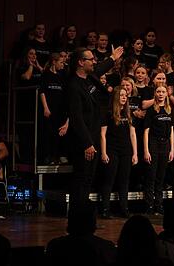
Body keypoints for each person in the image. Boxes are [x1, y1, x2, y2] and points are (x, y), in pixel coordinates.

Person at [67, 46, 123, 207]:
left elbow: (99, 68)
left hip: (93, 136)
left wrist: (112, 58)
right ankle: (77, 214)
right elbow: (76, 118)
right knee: (81, 178)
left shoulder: (90, 77)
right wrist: (87, 144)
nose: (94, 61)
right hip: (83, 143)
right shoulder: (73, 86)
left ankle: (84, 213)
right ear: (80, 62)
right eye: (90, 59)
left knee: (89, 178)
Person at [99, 86, 138, 218]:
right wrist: (103, 152)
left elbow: (133, 134)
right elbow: (102, 134)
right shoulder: (108, 113)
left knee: (124, 180)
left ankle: (124, 208)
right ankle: (105, 209)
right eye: (121, 95)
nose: (124, 97)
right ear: (116, 97)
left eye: (125, 95)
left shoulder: (129, 114)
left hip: (126, 150)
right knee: (109, 180)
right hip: (112, 150)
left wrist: (135, 153)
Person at [143, 85, 174, 215]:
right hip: (153, 144)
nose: (161, 94)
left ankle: (159, 204)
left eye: (163, 92)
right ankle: (149, 205)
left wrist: (172, 149)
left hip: (165, 144)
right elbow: (146, 131)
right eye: (158, 92)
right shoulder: (151, 110)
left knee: (161, 177)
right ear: (155, 94)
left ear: (166, 94)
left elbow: (172, 131)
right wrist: (146, 150)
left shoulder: (169, 110)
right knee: (151, 175)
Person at [39, 51, 69, 165]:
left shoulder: (62, 75)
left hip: (60, 109)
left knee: (60, 133)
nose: (62, 64)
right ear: (54, 62)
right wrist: (45, 107)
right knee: (49, 133)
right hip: (49, 109)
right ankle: (49, 156)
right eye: (61, 62)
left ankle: (60, 156)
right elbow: (42, 91)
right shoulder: (46, 74)